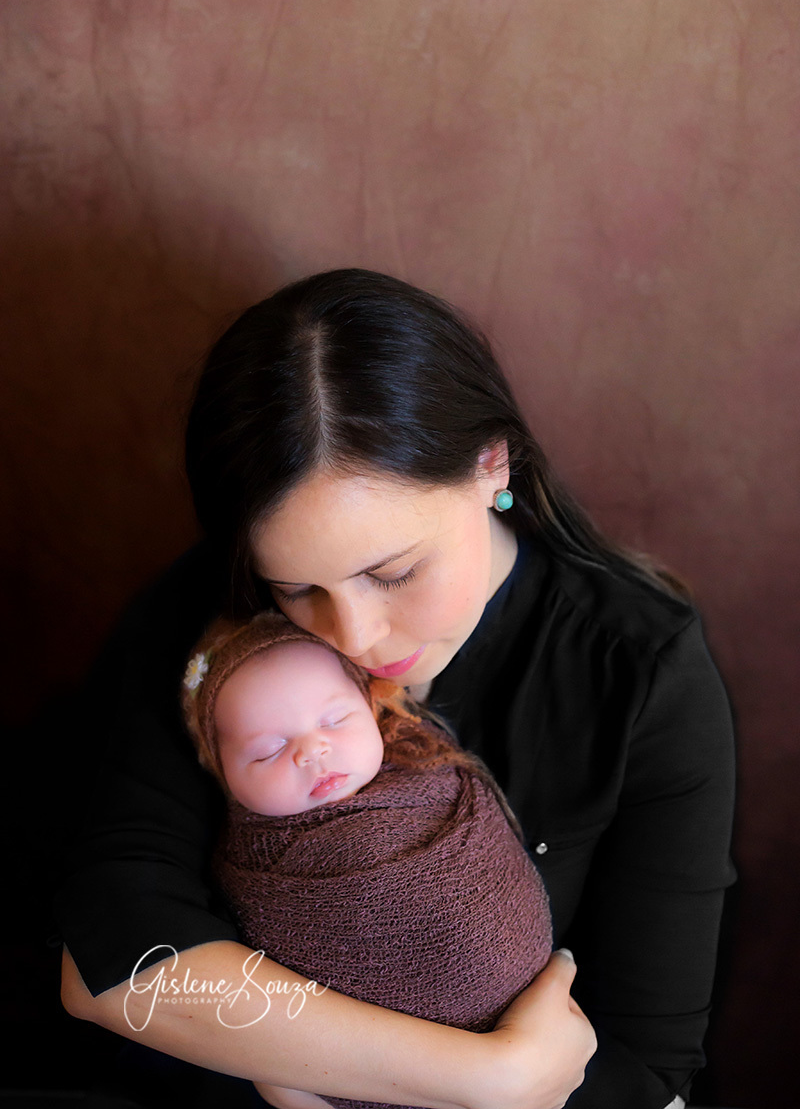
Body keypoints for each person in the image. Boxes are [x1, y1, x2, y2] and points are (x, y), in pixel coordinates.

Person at [56, 267, 735, 1109]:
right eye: (297, 588)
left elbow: (649, 1062)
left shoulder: (638, 664)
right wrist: (486, 1076)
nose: (352, 637)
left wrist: (292, 1052)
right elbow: (115, 963)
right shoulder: (208, 629)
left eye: (394, 570)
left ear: (492, 465)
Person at [179, 610, 553, 1109]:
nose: (313, 751)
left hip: (528, 1019)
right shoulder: (246, 865)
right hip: (375, 1072)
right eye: (268, 750)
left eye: (336, 720)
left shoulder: (431, 770)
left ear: (374, 709)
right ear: (224, 776)